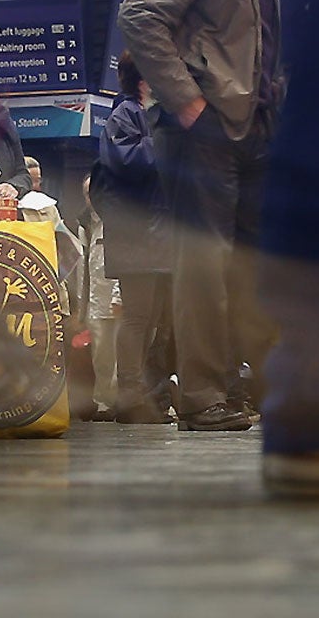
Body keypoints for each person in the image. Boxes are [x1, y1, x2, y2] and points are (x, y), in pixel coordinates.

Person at [118, 0, 305, 431]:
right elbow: (140, 15)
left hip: (250, 129)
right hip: (204, 131)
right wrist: (189, 102)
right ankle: (201, 397)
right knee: (203, 265)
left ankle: (264, 389)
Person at [92, 52, 175, 425]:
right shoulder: (125, 114)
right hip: (138, 233)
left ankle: (145, 393)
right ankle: (130, 396)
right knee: (139, 316)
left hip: (156, 233)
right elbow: (129, 162)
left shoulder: (145, 115)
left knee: (153, 317)